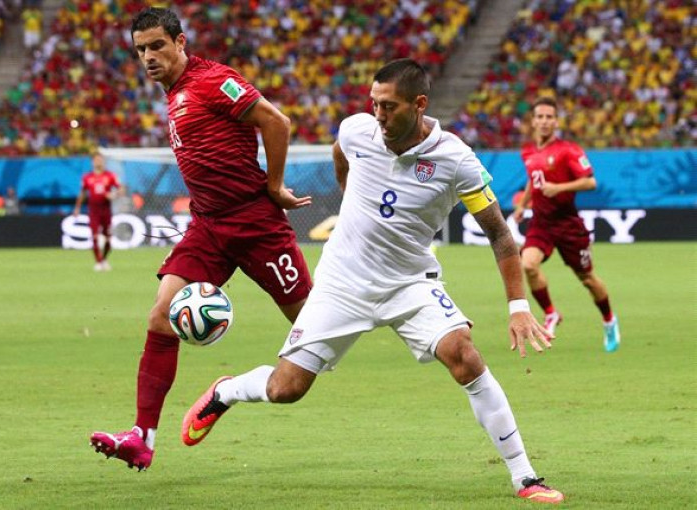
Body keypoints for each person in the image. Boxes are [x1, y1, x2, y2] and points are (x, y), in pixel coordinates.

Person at [182, 59, 564, 504]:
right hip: (343, 282)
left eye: (390, 107)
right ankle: (226, 390)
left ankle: (525, 477)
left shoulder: (457, 159)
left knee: (463, 355)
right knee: (285, 390)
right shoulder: (357, 130)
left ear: (420, 105)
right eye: (374, 104)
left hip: (410, 283)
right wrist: (350, 193)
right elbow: (341, 153)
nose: (379, 116)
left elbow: (499, 234)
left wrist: (519, 308)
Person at [89, 7, 313, 471]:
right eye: (140, 50)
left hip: (256, 225)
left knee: (315, 333)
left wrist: (273, 187)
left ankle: (229, 391)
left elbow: (277, 122)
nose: (148, 57)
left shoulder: (214, 81)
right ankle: (141, 437)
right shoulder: (173, 95)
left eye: (156, 46)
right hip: (208, 226)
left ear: (180, 42)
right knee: (159, 319)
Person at [513, 96, 621, 352]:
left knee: (587, 278)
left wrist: (558, 187)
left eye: (549, 117)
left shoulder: (569, 150)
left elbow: (590, 182)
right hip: (541, 221)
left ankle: (609, 319)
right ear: (533, 121)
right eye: (540, 116)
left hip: (568, 224)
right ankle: (551, 313)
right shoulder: (528, 151)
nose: (544, 121)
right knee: (527, 265)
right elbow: (533, 179)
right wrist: (522, 204)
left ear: (556, 121)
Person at [73, 153, 121, 271]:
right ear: (92, 162)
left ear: (103, 161)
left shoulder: (110, 176)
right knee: (94, 237)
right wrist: (77, 208)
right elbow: (82, 193)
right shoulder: (87, 177)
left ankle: (104, 259)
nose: (98, 162)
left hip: (106, 211)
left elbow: (121, 188)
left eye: (100, 160)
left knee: (108, 239)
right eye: (96, 160)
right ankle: (98, 262)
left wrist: (114, 194)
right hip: (93, 211)